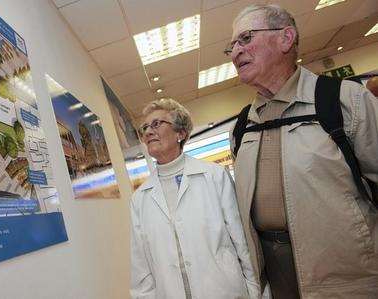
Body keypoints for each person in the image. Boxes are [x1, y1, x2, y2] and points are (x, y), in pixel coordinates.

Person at [225, 4, 378, 299]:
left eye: (245, 38)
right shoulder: (243, 127)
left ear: (285, 38)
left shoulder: (345, 101)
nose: (235, 52)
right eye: (231, 46)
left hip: (347, 277)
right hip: (277, 275)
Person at [130, 98, 259, 298]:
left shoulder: (215, 176)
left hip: (223, 291)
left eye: (156, 124)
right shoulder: (139, 199)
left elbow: (242, 241)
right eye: (144, 128)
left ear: (180, 133)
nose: (148, 132)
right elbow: (141, 267)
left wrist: (254, 290)